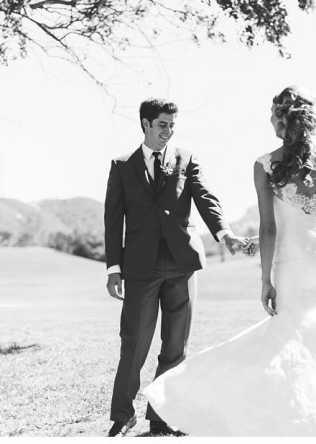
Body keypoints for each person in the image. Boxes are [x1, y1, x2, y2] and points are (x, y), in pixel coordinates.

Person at [142, 86, 316, 436]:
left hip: (294, 256)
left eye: (273, 116)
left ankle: (299, 417)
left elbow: (269, 227)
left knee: (292, 330)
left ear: (282, 118)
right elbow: (313, 212)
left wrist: (265, 279)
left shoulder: (265, 164)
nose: (271, 122)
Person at [104, 98, 248, 437]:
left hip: (182, 263)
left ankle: (162, 415)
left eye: (172, 125)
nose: (168, 131)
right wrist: (113, 267)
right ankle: (123, 415)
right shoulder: (122, 164)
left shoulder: (187, 159)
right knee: (135, 340)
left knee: (175, 346)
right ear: (145, 124)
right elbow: (113, 220)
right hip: (140, 267)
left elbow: (204, 197)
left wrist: (224, 233)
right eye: (162, 125)